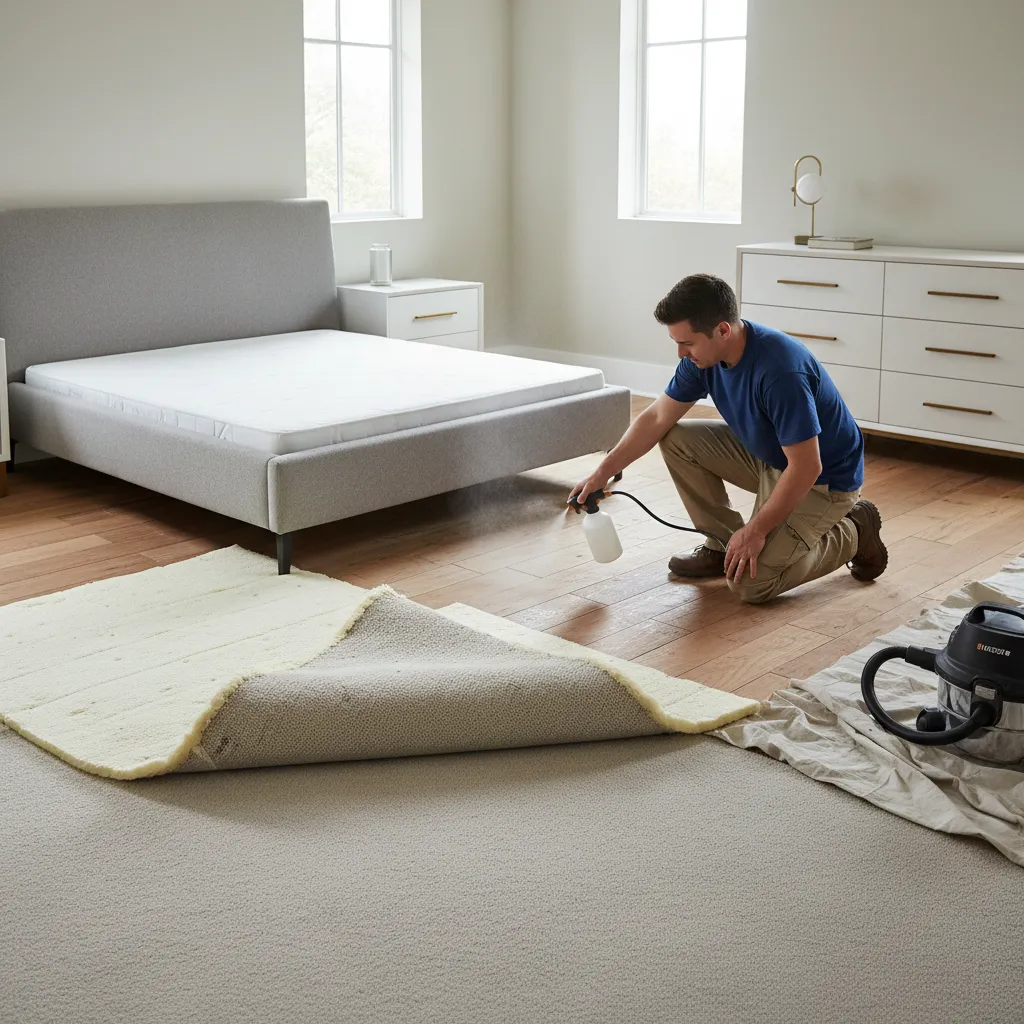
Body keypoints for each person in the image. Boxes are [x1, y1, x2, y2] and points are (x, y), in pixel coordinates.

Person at [568, 273, 887, 605]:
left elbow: (807, 466)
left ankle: (854, 530)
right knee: (675, 436)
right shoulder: (704, 357)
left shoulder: (781, 371)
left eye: (687, 342)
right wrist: (600, 475)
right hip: (770, 457)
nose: (680, 352)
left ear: (722, 330)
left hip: (823, 481)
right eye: (676, 342)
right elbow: (657, 418)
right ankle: (721, 546)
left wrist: (754, 532)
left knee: (753, 584)